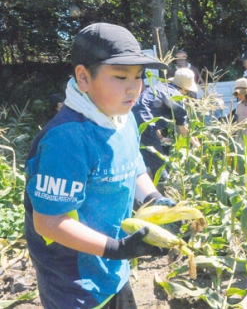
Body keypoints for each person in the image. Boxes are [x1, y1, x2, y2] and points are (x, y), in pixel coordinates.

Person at [24, 23, 176, 309]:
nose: (134, 88)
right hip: (75, 284)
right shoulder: (66, 140)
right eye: (120, 76)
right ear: (83, 77)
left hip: (113, 270)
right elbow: (48, 222)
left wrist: (155, 199)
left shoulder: (123, 116)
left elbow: (134, 167)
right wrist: (116, 248)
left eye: (139, 76)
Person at [132, 67, 201, 184]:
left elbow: (149, 118)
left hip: (133, 123)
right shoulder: (175, 97)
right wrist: (196, 144)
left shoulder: (159, 87)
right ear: (184, 89)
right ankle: (164, 191)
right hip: (143, 127)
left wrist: (161, 138)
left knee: (144, 160)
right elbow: (183, 130)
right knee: (159, 164)